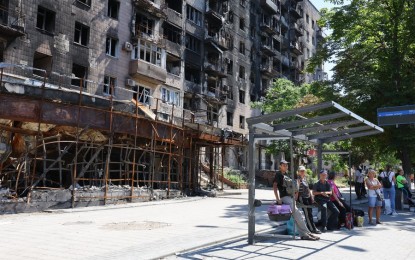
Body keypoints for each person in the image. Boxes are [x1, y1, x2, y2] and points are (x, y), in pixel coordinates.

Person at [273, 160, 319, 240]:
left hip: (290, 197)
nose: (286, 167)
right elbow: (274, 186)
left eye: (286, 165)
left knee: (297, 217)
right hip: (285, 197)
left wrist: (295, 195)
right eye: (284, 165)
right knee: (298, 215)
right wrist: (277, 199)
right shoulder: (278, 174)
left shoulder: (286, 174)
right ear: (280, 166)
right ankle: (307, 233)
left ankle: (305, 234)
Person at [297, 166, 321, 234]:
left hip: (308, 197)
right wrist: (296, 199)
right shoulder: (298, 179)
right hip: (302, 197)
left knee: (310, 213)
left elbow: (308, 189)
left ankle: (311, 226)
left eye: (303, 171)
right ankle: (312, 229)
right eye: (301, 171)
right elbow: (297, 190)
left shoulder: (304, 178)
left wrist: (311, 197)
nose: (302, 172)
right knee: (307, 214)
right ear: (298, 172)